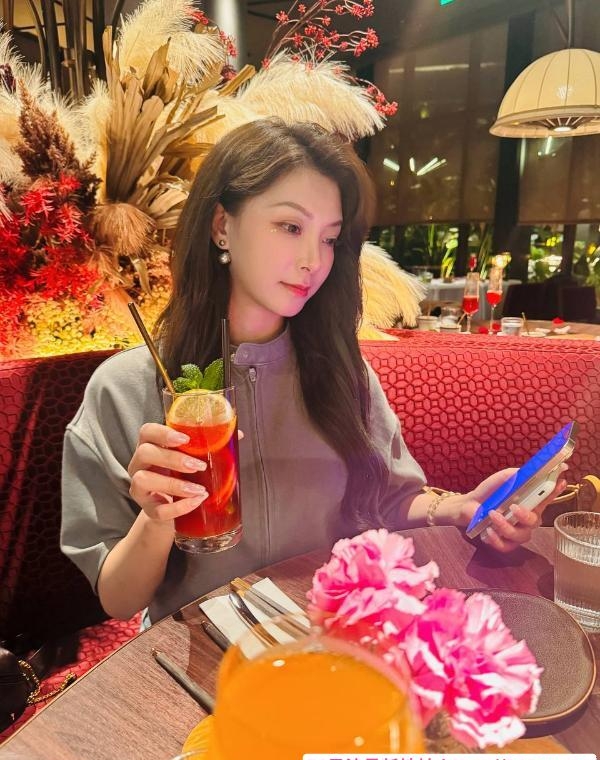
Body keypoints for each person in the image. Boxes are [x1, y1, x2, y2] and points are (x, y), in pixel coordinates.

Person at [61, 119, 566, 626]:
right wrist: (156, 519)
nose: (313, 261)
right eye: (290, 227)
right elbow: (119, 599)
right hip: (200, 644)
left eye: (330, 239)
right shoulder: (125, 389)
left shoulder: (343, 372)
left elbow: (389, 501)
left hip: (328, 632)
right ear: (221, 226)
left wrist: (457, 508)